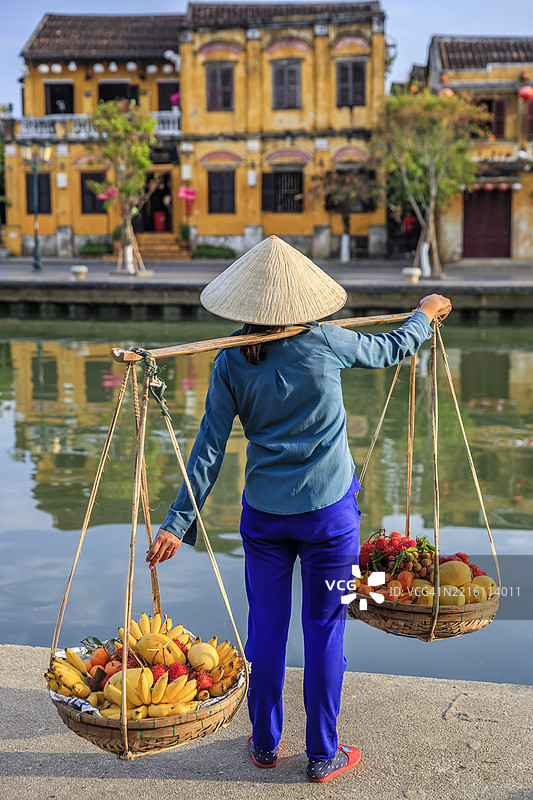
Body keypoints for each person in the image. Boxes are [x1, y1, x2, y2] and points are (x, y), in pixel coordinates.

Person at [146, 235, 451, 783]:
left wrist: (178, 522)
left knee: (265, 628)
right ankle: (321, 754)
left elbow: (209, 450)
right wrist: (423, 316)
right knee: (326, 627)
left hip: (263, 519)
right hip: (330, 519)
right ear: (302, 303)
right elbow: (388, 349)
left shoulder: (231, 361)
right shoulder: (328, 342)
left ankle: (263, 745)